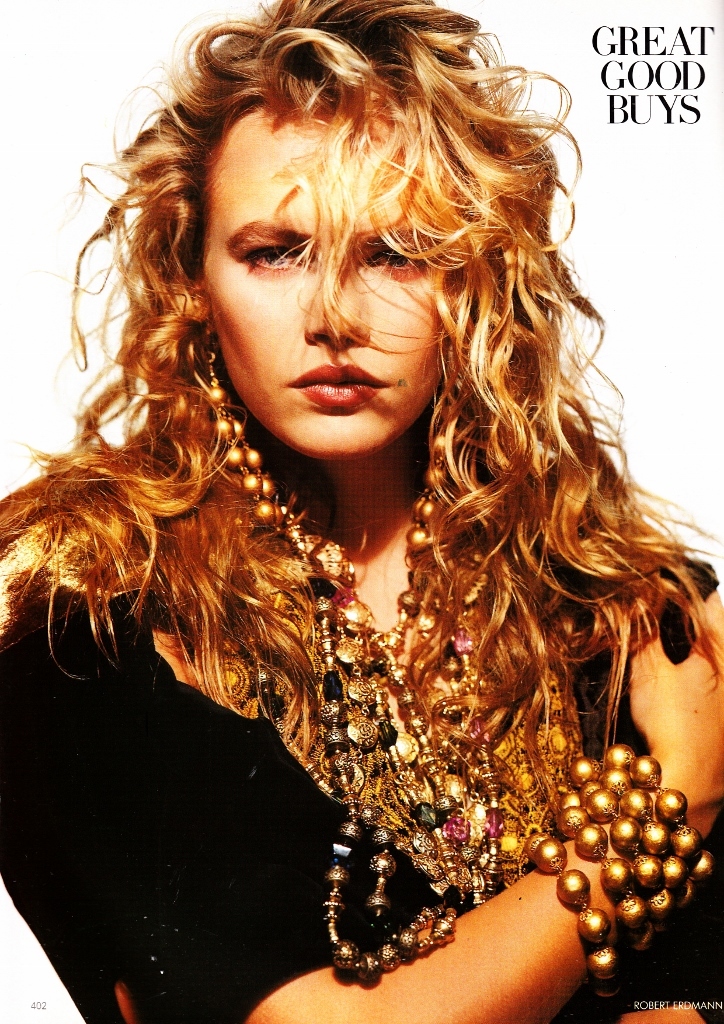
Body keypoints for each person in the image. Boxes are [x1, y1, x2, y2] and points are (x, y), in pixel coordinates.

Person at [0, 1, 722, 1022]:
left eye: (395, 251)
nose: (334, 314)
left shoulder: (614, 604)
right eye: (275, 251)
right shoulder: (87, 607)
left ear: (475, 277)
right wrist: (667, 805)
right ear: (192, 277)